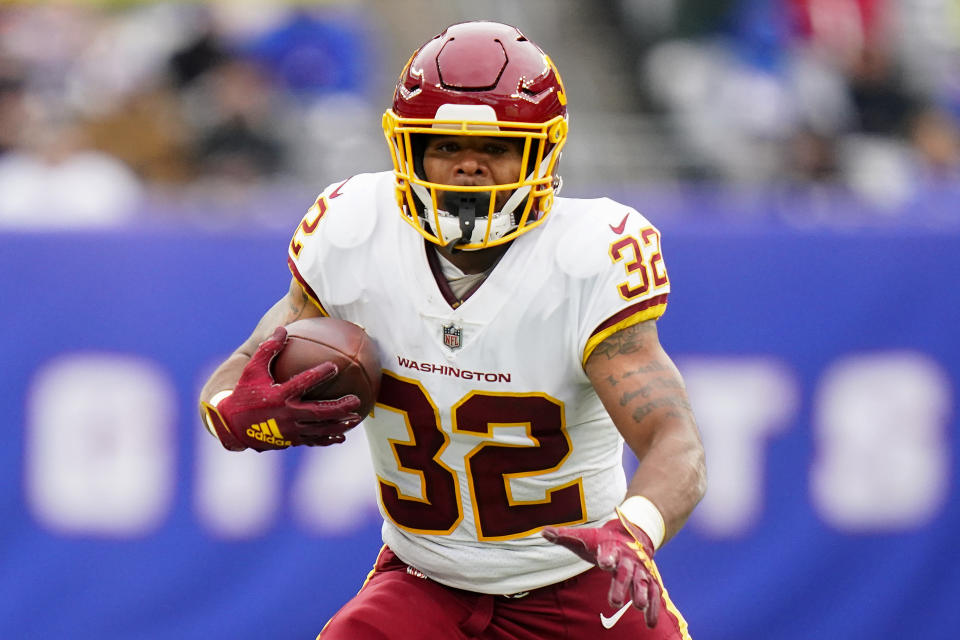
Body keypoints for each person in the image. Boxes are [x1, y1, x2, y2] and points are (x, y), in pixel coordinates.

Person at [199, 21, 706, 639]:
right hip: (424, 581)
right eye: (444, 145)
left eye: (495, 149)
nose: (469, 168)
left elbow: (674, 439)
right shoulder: (355, 229)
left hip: (577, 582)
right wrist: (230, 409)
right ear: (407, 149)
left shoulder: (586, 258)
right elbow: (247, 363)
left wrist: (636, 529)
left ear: (539, 151)